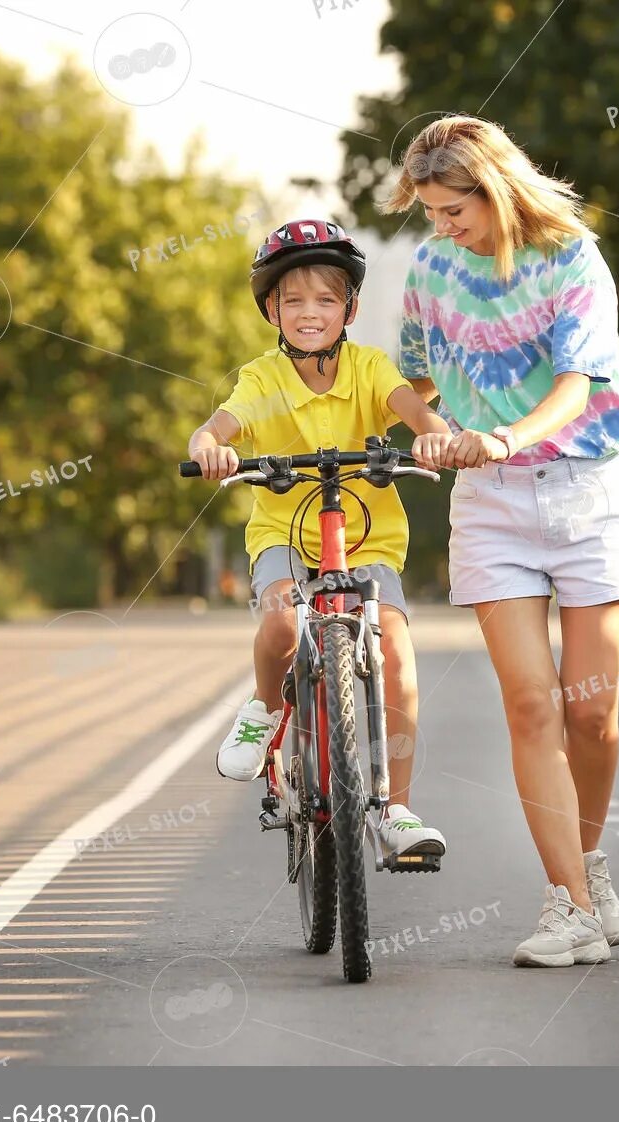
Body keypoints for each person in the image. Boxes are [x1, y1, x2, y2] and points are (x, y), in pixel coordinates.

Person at [384, 117, 619, 967]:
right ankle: (568, 905)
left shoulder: (572, 256)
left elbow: (579, 387)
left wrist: (506, 436)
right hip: (491, 506)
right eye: (429, 211)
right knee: (532, 706)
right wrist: (433, 429)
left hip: (587, 492)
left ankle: (589, 864)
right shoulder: (433, 266)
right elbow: (406, 382)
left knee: (592, 712)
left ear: (493, 190)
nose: (440, 227)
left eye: (451, 209)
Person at [186, 219, 455, 863]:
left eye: (327, 300)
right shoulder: (261, 378)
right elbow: (220, 426)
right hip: (284, 531)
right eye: (295, 300)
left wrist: (433, 432)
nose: (311, 313)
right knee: (282, 620)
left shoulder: (369, 368)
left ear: (350, 309)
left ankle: (395, 807)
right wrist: (209, 448)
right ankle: (261, 709)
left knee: (393, 649)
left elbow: (411, 408)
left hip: (367, 537)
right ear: (271, 309)